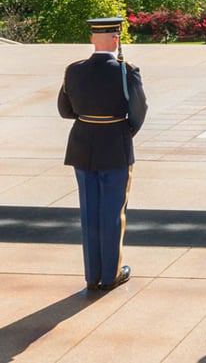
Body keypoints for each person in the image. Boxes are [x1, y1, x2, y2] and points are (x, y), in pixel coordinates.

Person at [58, 17, 148, 291]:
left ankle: (92, 274)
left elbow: (65, 110)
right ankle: (111, 274)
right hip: (114, 145)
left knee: (89, 211)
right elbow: (139, 111)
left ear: (92, 39)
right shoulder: (126, 71)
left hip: (82, 143)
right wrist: (122, 131)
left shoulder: (73, 70)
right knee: (112, 211)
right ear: (116, 39)